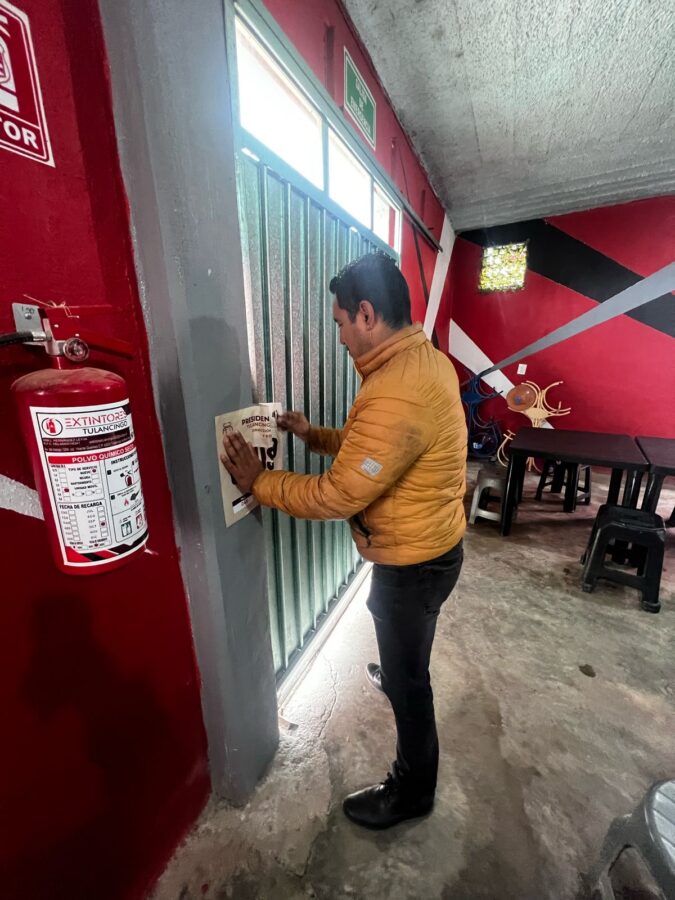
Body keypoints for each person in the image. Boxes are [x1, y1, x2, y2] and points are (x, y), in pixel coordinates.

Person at [221, 250, 467, 830]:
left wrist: (263, 482)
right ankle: (398, 665)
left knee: (411, 685)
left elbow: (340, 495)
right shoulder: (419, 362)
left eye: (337, 323)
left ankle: (413, 791)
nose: (338, 337)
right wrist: (314, 434)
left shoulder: (396, 390)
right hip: (427, 549)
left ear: (365, 314)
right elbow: (376, 454)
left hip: (417, 561)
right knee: (394, 625)